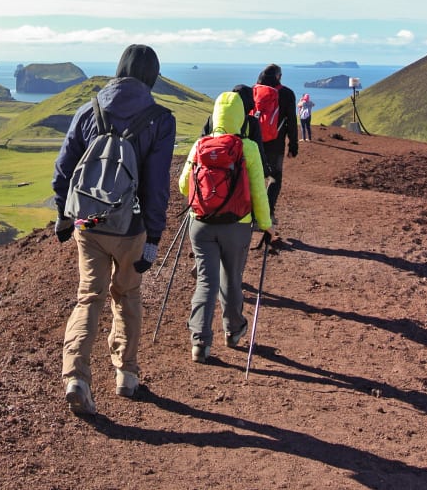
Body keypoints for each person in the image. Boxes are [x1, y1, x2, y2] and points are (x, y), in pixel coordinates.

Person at [51, 44, 176, 415]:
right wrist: (154, 236)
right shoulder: (160, 119)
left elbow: (64, 168)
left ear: (119, 69)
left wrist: (63, 214)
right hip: (131, 227)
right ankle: (126, 374)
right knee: (127, 294)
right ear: (153, 76)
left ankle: (76, 377)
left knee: (89, 296)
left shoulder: (89, 110)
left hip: (89, 222)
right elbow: (156, 185)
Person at [179, 91, 272, 363]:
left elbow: (183, 185)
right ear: (241, 117)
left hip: (201, 223)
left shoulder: (200, 144)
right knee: (231, 278)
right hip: (236, 225)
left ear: (215, 115)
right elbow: (258, 192)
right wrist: (266, 225)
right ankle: (233, 331)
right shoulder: (248, 147)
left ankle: (199, 341)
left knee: (205, 281)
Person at [254, 64, 298, 226]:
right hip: (276, 144)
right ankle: (268, 214)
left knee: (254, 177)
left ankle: (252, 215)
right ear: (278, 76)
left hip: (254, 143)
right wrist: (293, 146)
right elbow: (291, 122)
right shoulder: (286, 93)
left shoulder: (253, 92)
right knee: (275, 178)